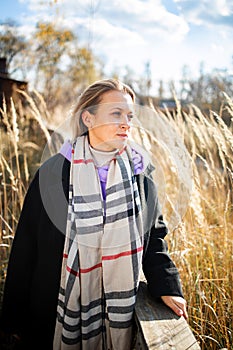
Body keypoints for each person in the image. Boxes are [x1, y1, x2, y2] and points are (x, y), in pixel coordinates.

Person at [0, 79, 187, 350]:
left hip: (117, 308)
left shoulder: (140, 174)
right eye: (115, 113)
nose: (126, 123)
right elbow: (25, 247)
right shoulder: (53, 174)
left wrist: (167, 284)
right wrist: (12, 320)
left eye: (129, 116)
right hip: (52, 308)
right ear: (88, 118)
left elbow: (155, 236)